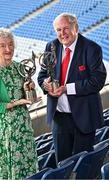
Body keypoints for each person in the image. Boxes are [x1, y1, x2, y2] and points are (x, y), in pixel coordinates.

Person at [37, 13, 107, 164]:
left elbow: (97, 81)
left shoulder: (91, 48)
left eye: (66, 28)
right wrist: (45, 84)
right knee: (62, 164)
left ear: (76, 27)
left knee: (83, 163)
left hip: (84, 117)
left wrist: (66, 88)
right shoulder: (51, 46)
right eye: (58, 30)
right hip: (60, 118)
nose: (62, 33)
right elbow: (42, 75)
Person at [0, 27, 40, 179]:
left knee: (27, 164)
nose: (8, 49)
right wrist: (17, 103)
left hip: (23, 124)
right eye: (2, 45)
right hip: (7, 129)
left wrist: (30, 90)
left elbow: (26, 95)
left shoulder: (20, 67)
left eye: (10, 44)